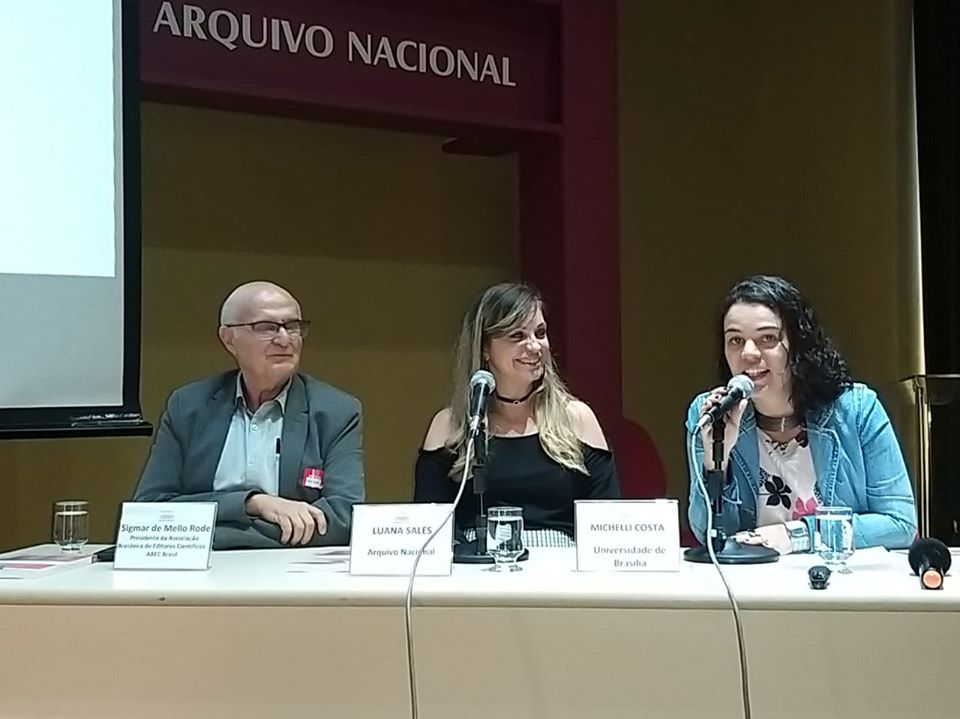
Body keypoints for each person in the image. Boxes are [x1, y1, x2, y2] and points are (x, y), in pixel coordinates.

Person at [686, 274, 917, 553]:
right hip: (752, 587)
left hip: (840, 585)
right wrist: (716, 463)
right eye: (735, 340)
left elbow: (900, 524)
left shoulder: (857, 409)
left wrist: (798, 535)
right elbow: (707, 535)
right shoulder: (711, 414)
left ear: (797, 345)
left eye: (768, 338)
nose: (748, 353)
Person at [134, 281, 365, 549]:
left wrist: (214, 534)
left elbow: (343, 517)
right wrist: (253, 504)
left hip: (292, 572)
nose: (284, 339)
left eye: (292, 326)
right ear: (228, 339)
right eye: (266, 327)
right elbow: (149, 511)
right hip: (200, 572)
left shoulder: (335, 411)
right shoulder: (189, 406)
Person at [414, 282, 620, 547]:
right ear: (484, 348)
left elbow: (607, 526)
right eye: (517, 336)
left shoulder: (577, 419)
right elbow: (429, 528)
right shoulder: (449, 424)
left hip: (560, 571)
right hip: (474, 573)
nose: (535, 346)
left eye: (540, 333)